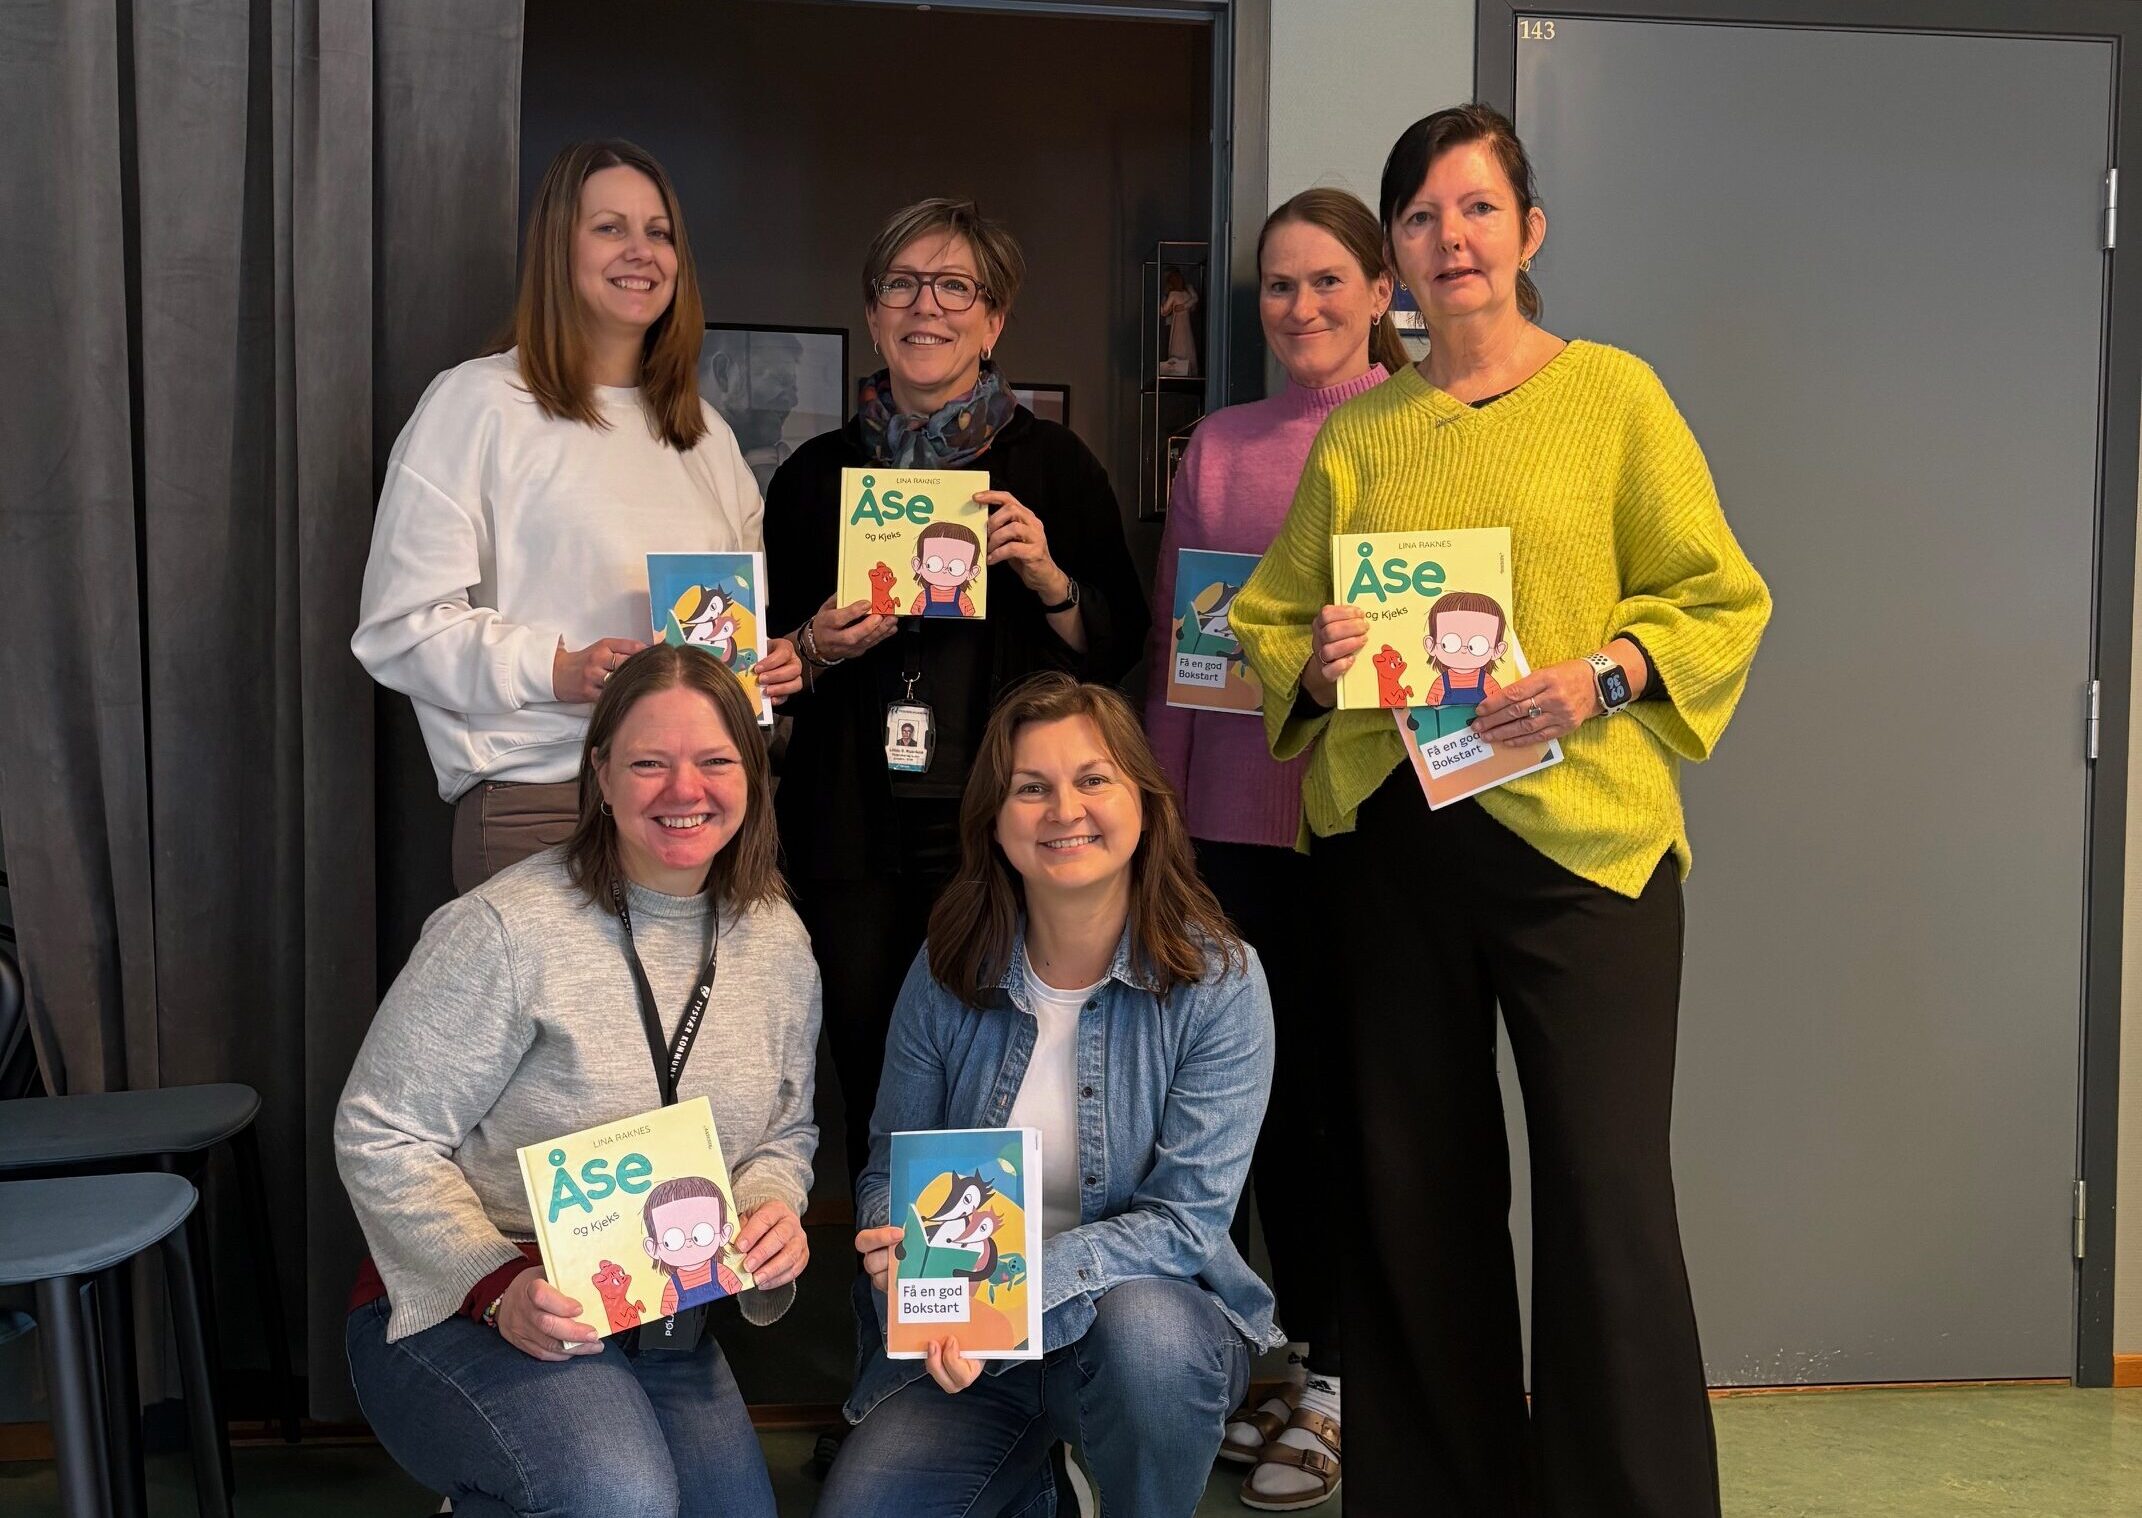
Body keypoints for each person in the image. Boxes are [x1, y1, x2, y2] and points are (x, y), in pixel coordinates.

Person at [1231, 104, 1772, 1517]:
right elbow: (1270, 619)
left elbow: (1715, 591)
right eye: (1418, 217)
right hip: (1395, 846)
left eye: (1475, 209)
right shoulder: (1361, 434)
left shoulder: (1613, 397)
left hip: (1584, 847)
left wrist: (1603, 672)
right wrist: (1320, 654)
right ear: (1394, 256)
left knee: (1605, 1198)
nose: (1447, 238)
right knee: (1414, 1195)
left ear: (1527, 232)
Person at [335, 646, 820, 1518]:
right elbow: (382, 1132)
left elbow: (787, 1129)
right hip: (472, 1306)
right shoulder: (504, 928)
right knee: (616, 1496)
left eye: (715, 760)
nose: (685, 789)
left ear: (752, 771)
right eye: (647, 762)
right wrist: (493, 1286)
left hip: (662, 1320)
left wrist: (773, 1200)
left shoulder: (778, 940)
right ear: (599, 773)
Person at [815, 673, 1282, 1518]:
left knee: (1149, 1338)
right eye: (1031, 788)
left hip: (1134, 1333)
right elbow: (891, 1163)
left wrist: (1023, 1283)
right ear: (995, 821)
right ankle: (1041, 1488)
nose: (1064, 809)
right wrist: (893, 1254)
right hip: (966, 1343)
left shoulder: (1220, 982)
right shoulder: (947, 965)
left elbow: (1187, 1223)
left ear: (1145, 800)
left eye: (1093, 779)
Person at [763, 198, 1148, 1194]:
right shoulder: (814, 476)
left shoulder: (1050, 468)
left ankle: (978, 1320)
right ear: (875, 309)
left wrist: (1050, 577)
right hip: (849, 832)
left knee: (996, 1069)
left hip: (999, 829)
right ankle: (888, 1313)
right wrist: (813, 643)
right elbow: (760, 670)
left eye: (953, 287)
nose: (924, 307)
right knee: (864, 1063)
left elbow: (1119, 643)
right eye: (901, 284)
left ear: (994, 318)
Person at [1143, 186, 1406, 1511]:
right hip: (1228, 826)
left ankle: (1349, 1381)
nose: (1300, 308)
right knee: (1237, 1118)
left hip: (1361, 819)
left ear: (1376, 292)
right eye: (1278, 286)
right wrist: (1166, 826)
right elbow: (1180, 657)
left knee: (1348, 1108)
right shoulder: (1221, 445)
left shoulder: (1420, 433)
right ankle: (1278, 1357)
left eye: (1325, 282)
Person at [353, 139, 801, 893]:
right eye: (610, 228)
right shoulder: (477, 405)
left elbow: (726, 628)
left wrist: (763, 664)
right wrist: (556, 668)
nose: (641, 252)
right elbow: (398, 628)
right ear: (559, 249)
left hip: (695, 812)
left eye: (659, 232)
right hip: (544, 805)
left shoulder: (706, 436)